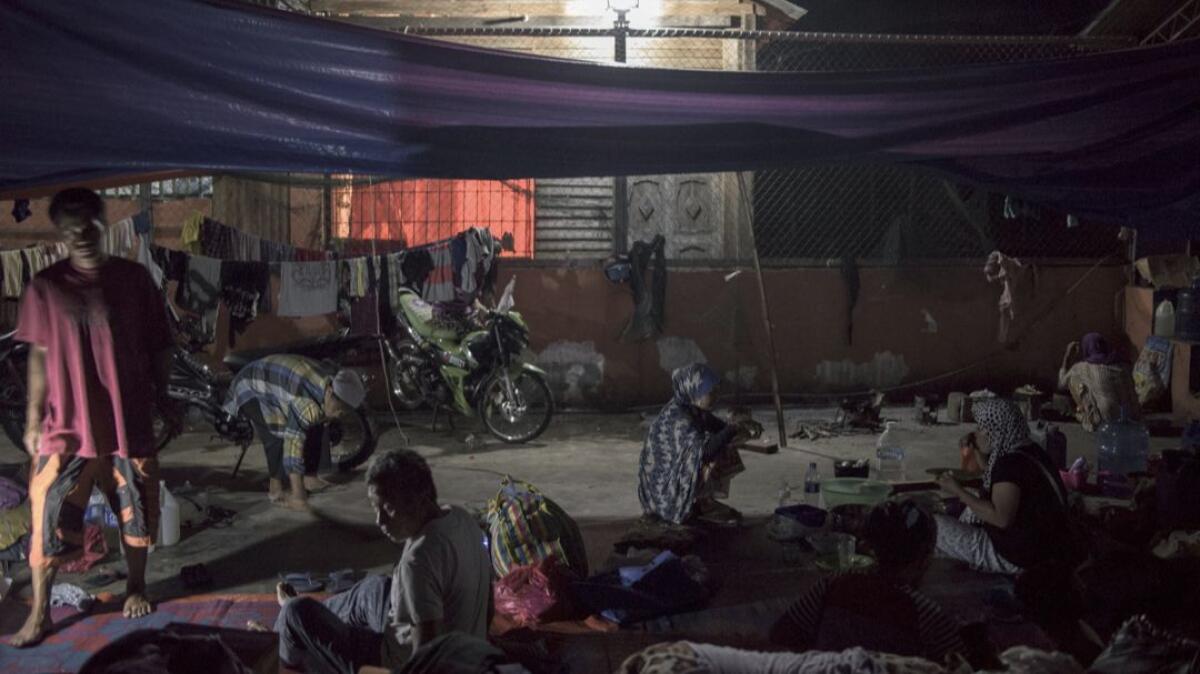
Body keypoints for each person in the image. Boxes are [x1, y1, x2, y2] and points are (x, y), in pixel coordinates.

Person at [11, 188, 176, 647]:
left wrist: (165, 398)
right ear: (60, 233)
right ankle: (40, 614)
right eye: (70, 227)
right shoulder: (45, 286)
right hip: (64, 428)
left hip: (128, 421)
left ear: (104, 224)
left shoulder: (134, 278)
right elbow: (39, 357)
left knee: (137, 509)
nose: (81, 234)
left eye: (89, 224)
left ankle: (137, 586)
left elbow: (159, 343)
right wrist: (31, 418)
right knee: (46, 518)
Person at [272, 449, 492, 673]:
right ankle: (292, 627)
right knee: (373, 589)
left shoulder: (418, 562)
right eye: (376, 508)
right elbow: (489, 601)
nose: (380, 521)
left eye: (388, 508)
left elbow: (426, 661)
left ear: (419, 498)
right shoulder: (460, 517)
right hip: (463, 652)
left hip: (393, 662)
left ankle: (276, 645)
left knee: (296, 612)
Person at [769, 501, 966, 664]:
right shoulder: (926, 615)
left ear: (868, 545)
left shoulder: (833, 585)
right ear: (924, 557)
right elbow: (962, 666)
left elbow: (781, 636)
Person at [934, 399, 1077, 575]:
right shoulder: (1030, 450)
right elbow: (994, 476)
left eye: (980, 428)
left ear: (993, 432)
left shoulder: (1009, 464)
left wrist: (957, 490)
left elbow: (1001, 518)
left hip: (1017, 557)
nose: (975, 434)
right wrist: (977, 450)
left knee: (932, 525)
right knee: (969, 511)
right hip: (1045, 549)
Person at [223, 354, 366, 509]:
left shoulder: (330, 385)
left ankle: (309, 478)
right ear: (330, 392)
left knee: (319, 420)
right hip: (251, 384)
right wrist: (298, 496)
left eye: (345, 412)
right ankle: (275, 488)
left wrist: (331, 414)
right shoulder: (306, 403)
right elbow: (293, 445)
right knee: (277, 434)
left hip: (280, 379)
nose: (340, 415)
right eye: (339, 409)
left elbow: (322, 417)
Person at [638, 363, 747, 527]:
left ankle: (702, 501)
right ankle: (688, 504)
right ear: (693, 390)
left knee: (726, 444)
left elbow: (721, 428)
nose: (716, 396)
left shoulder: (692, 408)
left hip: (671, 479)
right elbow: (705, 452)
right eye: (710, 392)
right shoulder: (678, 418)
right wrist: (733, 428)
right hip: (662, 493)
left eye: (717, 390)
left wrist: (742, 425)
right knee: (714, 453)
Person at [1058, 332, 1139, 431]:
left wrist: (1067, 356)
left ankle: (1088, 416)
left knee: (1073, 380)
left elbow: (1061, 384)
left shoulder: (1082, 368)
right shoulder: (1123, 363)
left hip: (1108, 421)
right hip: (1135, 417)